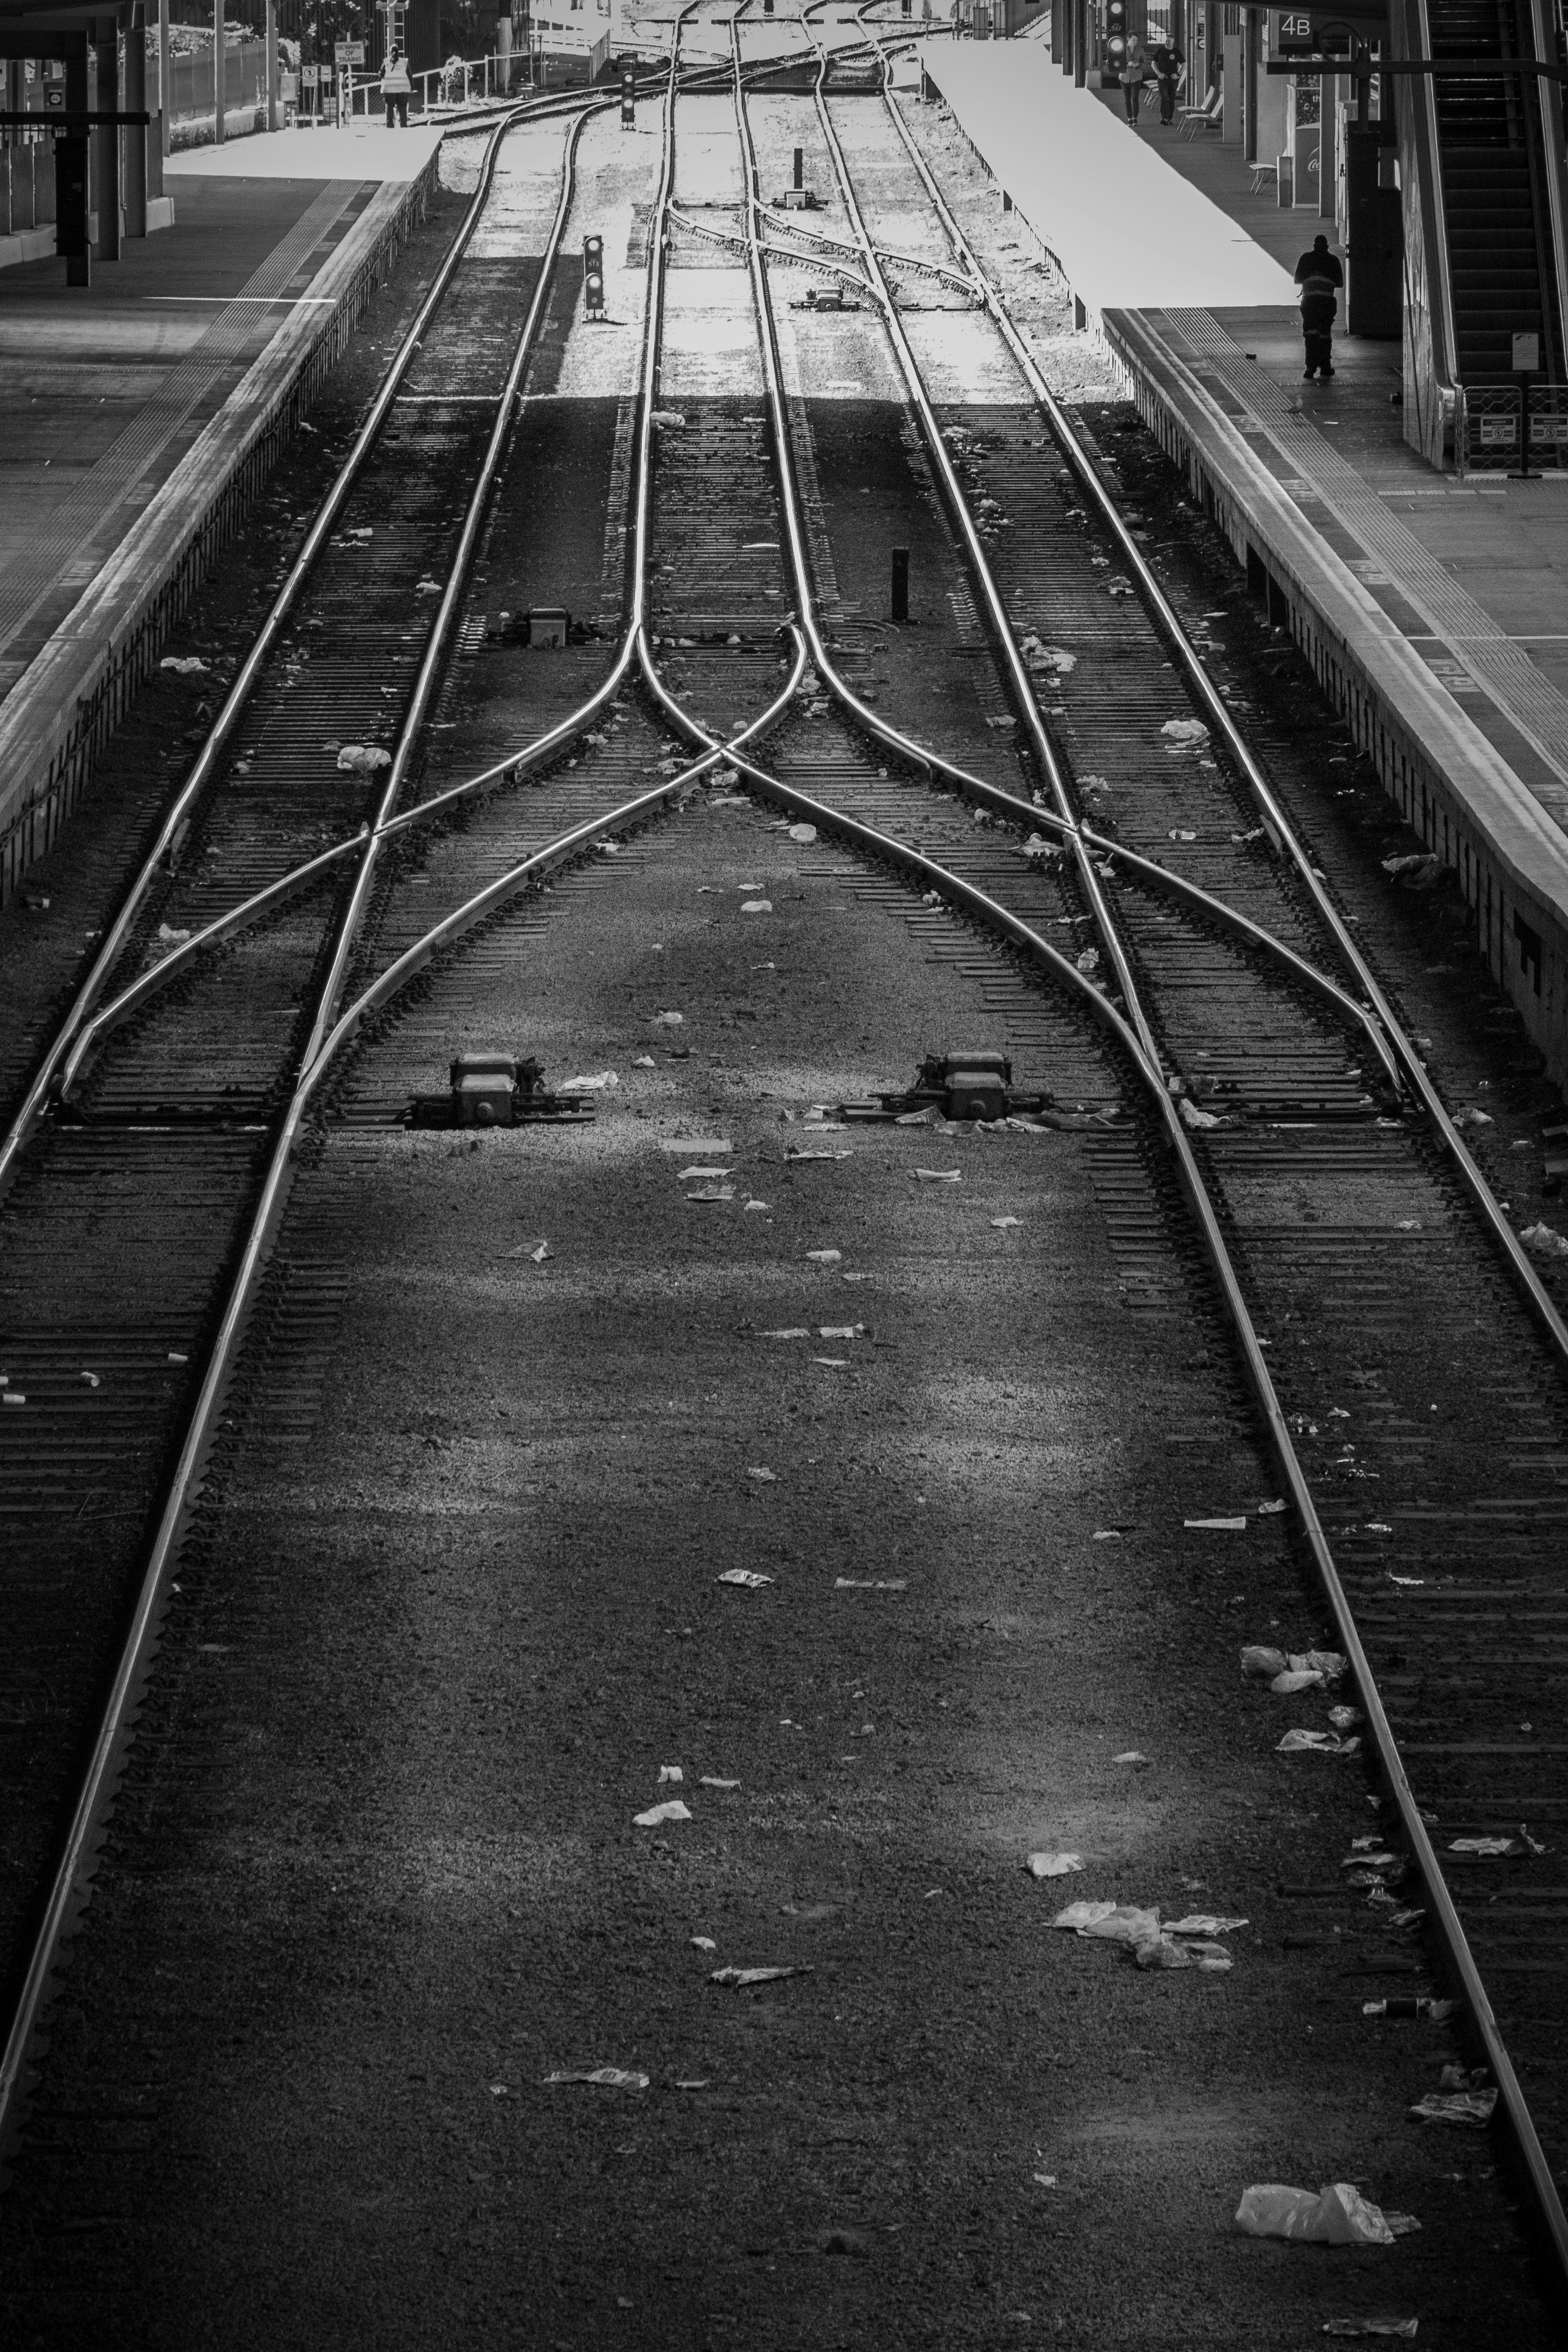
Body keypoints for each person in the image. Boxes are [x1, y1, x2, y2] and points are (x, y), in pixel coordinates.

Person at [1294, 232, 1344, 379]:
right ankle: (1325, 367)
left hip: (1309, 302)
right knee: (1325, 334)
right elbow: (1340, 284)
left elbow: (1297, 280)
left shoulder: (1306, 258)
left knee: (1310, 333)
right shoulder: (1334, 260)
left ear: (1314, 246)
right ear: (1328, 247)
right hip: (1327, 303)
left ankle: (1310, 369)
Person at [1121, 34, 1154, 128]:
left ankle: (1135, 118)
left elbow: (1145, 63)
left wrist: (1138, 65)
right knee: (1127, 98)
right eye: (1134, 40)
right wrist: (1128, 64)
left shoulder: (1140, 50)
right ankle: (1129, 118)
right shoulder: (1123, 49)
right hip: (1125, 77)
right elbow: (1118, 62)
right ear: (1128, 39)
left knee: (1135, 97)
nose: (1135, 42)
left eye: (1137, 40)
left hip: (1137, 77)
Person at [1151, 36, 1183, 125]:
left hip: (1173, 80)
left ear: (1173, 42)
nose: (1167, 43)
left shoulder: (1176, 52)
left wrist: (1178, 74)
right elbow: (1153, 63)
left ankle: (1169, 118)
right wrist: (1158, 73)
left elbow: (1184, 64)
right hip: (1162, 79)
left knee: (1171, 98)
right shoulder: (1160, 51)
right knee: (1165, 97)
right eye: (1166, 41)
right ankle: (1164, 117)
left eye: (1169, 41)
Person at [381, 44, 411, 128]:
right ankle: (404, 126)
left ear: (390, 52)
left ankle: (390, 126)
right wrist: (412, 87)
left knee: (390, 107)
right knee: (402, 108)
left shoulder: (386, 62)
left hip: (389, 89)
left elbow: (381, 73)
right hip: (402, 89)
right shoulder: (404, 62)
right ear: (399, 52)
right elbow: (410, 75)